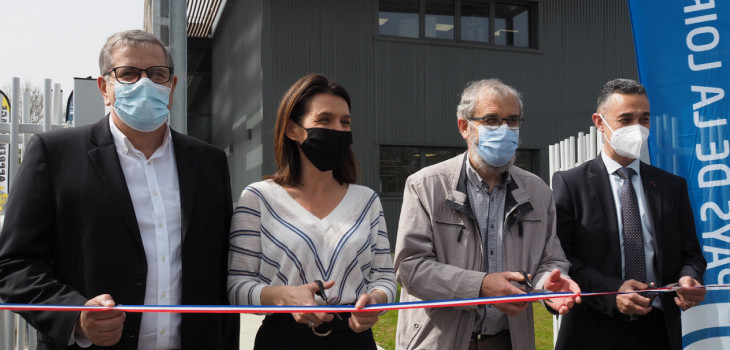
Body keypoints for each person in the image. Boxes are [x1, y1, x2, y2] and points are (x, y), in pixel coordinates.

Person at [0, 30, 238, 349]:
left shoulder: (209, 162)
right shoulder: (55, 154)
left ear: (172, 86)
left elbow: (222, 270)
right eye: (127, 73)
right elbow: (14, 264)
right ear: (104, 88)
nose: (144, 83)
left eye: (157, 74)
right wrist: (75, 317)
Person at [394, 78, 580, 350]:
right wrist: (481, 286)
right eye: (491, 120)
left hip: (507, 341)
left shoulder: (537, 191)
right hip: (438, 342)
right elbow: (411, 269)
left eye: (512, 120)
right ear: (464, 127)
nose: (504, 129)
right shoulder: (426, 185)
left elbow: (550, 260)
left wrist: (549, 285)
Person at [227, 73, 396, 349]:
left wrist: (375, 301)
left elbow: (385, 278)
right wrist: (284, 297)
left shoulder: (367, 201)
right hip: (283, 339)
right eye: (324, 120)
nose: (338, 130)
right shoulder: (258, 198)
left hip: (354, 340)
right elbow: (237, 288)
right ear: (293, 130)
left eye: (345, 122)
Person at [552, 78, 707, 350]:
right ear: (599, 122)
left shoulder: (672, 186)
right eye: (626, 119)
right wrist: (612, 292)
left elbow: (691, 254)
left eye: (644, 119)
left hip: (658, 328)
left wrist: (688, 276)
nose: (637, 128)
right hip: (592, 329)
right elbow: (562, 258)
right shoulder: (571, 184)